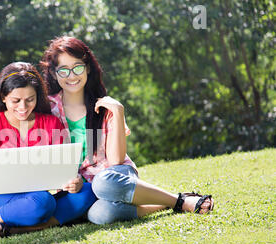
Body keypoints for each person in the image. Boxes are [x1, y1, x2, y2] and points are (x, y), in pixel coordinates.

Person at [39, 36, 214, 224]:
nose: (72, 76)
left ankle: (179, 201)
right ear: (55, 74)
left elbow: (116, 160)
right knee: (99, 216)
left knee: (102, 183)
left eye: (77, 67)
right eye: (63, 70)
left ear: (87, 68)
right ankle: (164, 203)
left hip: (114, 178)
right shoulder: (48, 109)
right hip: (80, 190)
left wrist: (118, 111)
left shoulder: (105, 106)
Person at [0, 62, 96, 240]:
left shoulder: (51, 123)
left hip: (38, 197)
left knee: (89, 191)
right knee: (42, 202)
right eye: (16, 101)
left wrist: (74, 181)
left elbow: (66, 170)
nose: (23, 107)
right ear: (3, 97)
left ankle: (13, 229)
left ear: (37, 97)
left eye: (30, 100)